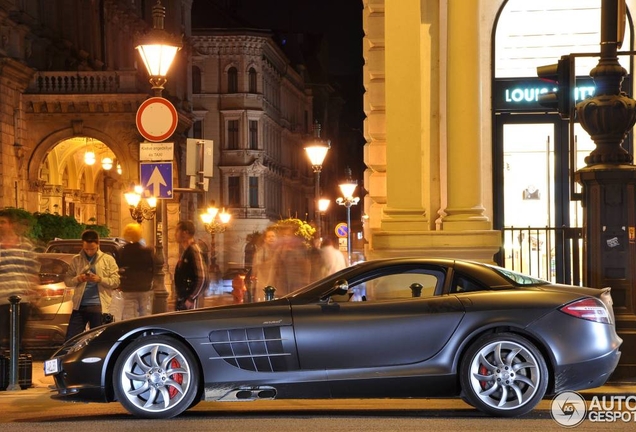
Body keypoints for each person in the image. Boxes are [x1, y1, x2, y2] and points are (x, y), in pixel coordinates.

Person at [64, 229, 120, 340]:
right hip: (79, 306)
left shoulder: (107, 260)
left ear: (98, 244)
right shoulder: (77, 260)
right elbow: (68, 281)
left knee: (98, 340)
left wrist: (99, 279)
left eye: (92, 249)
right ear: (82, 245)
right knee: (71, 339)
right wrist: (78, 278)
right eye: (86, 249)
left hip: (99, 306)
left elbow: (116, 281)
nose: (89, 252)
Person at [0, 209, 39, 351]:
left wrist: (33, 293)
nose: (0, 226)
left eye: (3, 222)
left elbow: (33, 270)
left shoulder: (25, 246)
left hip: (22, 300)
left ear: (11, 224)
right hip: (2, 300)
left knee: (17, 339)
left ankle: (15, 369)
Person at [116, 223, 158, 320]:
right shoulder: (146, 251)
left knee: (128, 314)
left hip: (128, 287)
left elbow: (119, 268)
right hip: (144, 287)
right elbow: (153, 268)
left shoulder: (123, 251)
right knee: (144, 313)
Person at [174, 221, 208, 310]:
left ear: (185, 233)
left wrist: (191, 299)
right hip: (184, 299)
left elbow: (203, 279)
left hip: (191, 304)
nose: (175, 234)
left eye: (177, 230)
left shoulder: (194, 250)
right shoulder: (186, 251)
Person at [251, 227, 278, 295]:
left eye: (273, 236)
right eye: (269, 236)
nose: (271, 238)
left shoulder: (278, 251)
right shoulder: (261, 252)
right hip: (264, 283)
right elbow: (257, 267)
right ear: (265, 239)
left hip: (276, 285)